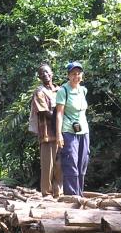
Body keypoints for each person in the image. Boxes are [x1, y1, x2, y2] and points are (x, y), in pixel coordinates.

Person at [55, 61, 89, 196]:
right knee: (71, 163)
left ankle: (79, 194)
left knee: (82, 163)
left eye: (79, 73)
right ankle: (72, 197)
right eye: (73, 74)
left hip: (84, 131)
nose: (77, 76)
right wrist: (59, 135)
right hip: (68, 132)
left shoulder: (83, 90)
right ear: (68, 76)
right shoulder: (63, 91)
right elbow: (59, 113)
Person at [29, 64, 62, 197]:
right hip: (47, 134)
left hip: (60, 134)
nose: (45, 75)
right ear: (39, 77)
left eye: (47, 72)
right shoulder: (39, 92)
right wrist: (60, 115)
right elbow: (46, 112)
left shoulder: (59, 90)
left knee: (59, 165)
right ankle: (47, 194)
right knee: (48, 166)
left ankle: (59, 192)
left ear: (52, 73)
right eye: (42, 73)